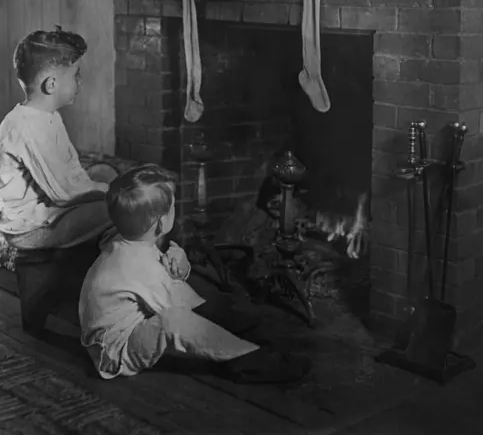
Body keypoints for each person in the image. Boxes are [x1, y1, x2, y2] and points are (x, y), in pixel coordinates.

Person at [79, 164, 311, 384]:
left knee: (186, 290)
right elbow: (178, 304)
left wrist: (179, 264)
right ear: (161, 224)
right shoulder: (137, 265)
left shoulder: (125, 242)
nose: (175, 211)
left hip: (120, 328)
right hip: (114, 353)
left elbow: (164, 279)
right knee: (175, 322)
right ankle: (245, 358)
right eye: (173, 207)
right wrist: (201, 305)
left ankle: (234, 325)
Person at [0, 27, 113, 250]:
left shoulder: (49, 116)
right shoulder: (26, 127)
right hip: (31, 228)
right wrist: (112, 190)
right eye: (75, 75)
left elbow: (69, 168)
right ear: (51, 84)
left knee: (104, 176)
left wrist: (101, 183)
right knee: (123, 210)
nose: (80, 82)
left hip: (51, 210)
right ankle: (108, 276)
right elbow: (65, 193)